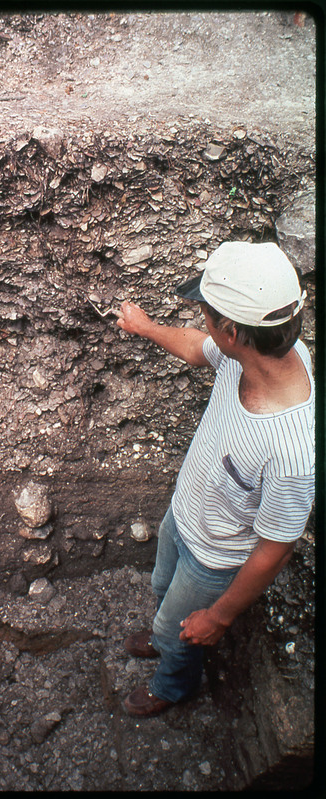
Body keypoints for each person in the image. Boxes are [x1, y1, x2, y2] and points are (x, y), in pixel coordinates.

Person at [115, 241, 315, 718]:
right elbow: (193, 347)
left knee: (185, 632)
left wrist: (219, 616)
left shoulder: (292, 452)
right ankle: (166, 631)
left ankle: (173, 683)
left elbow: (275, 548)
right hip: (186, 514)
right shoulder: (258, 351)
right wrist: (145, 327)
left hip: (215, 557)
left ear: (232, 330)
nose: (201, 319)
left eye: (206, 312)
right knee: (163, 590)